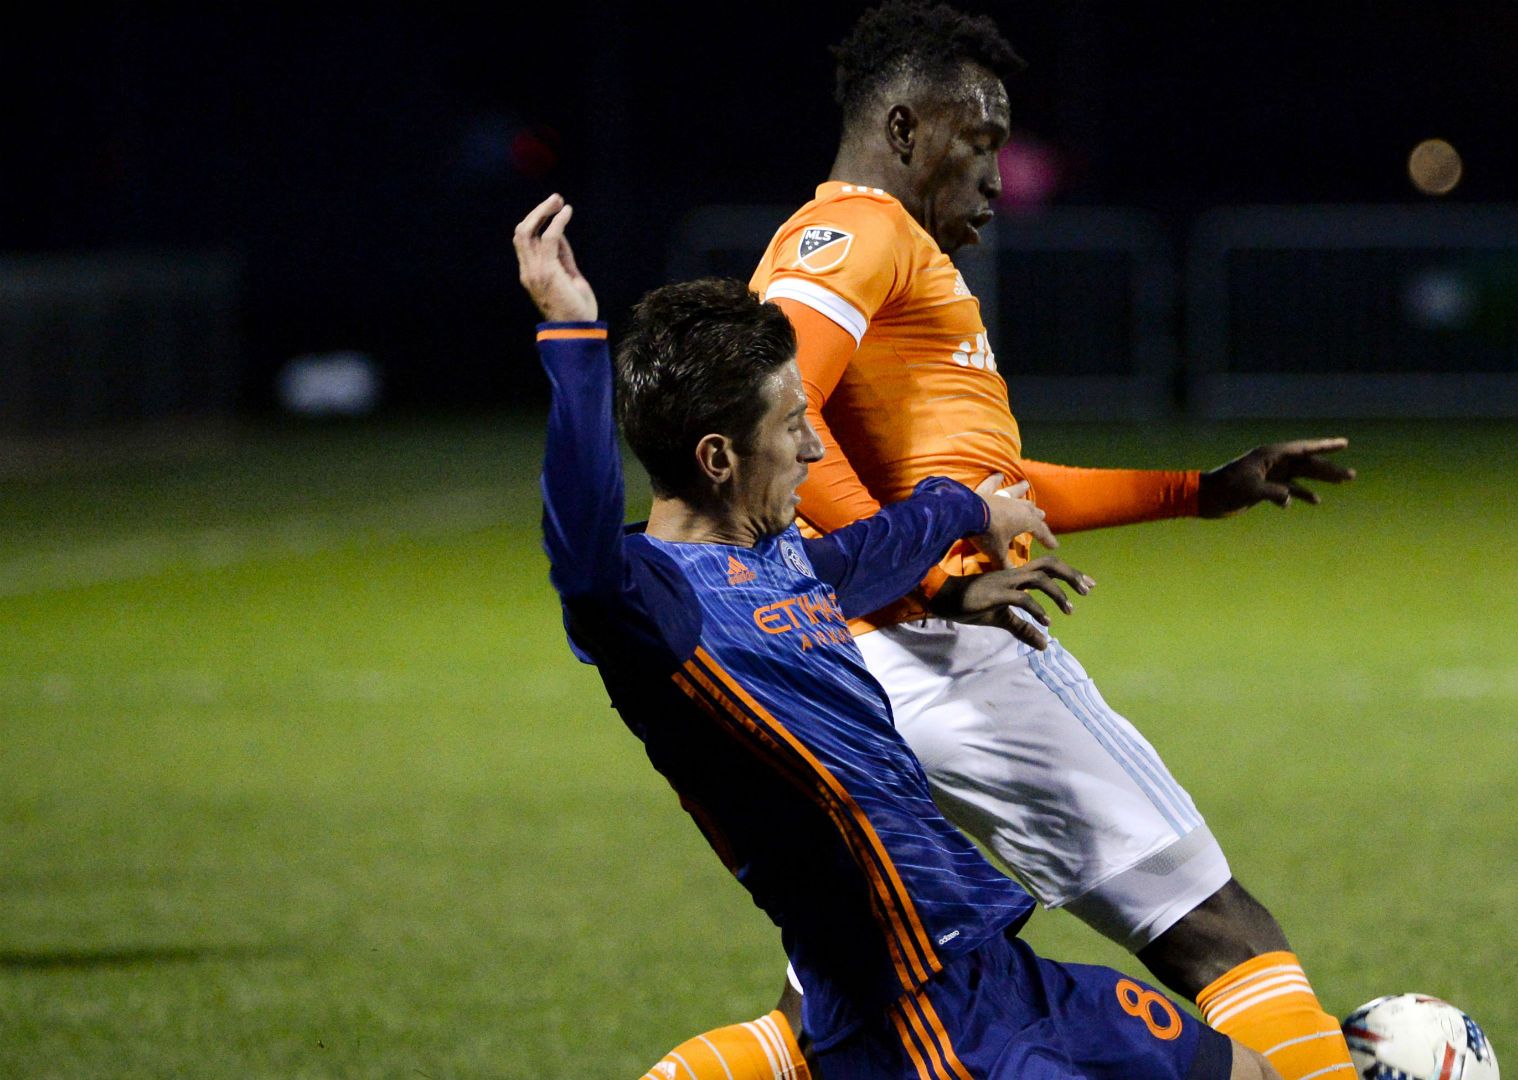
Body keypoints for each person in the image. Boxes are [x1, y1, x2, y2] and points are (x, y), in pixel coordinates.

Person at [644, 4, 1360, 1080]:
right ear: (903, 127)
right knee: (1218, 927)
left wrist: (1196, 493)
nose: (996, 175)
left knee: (844, 1014)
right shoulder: (861, 234)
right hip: (943, 659)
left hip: (843, 668)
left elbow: (997, 490)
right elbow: (773, 420)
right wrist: (933, 580)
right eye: (980, 142)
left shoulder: (879, 255)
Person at [514, 193, 1279, 1080]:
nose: (812, 450)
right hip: (908, 1022)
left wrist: (973, 507)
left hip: (999, 974)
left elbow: (872, 552)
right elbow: (578, 541)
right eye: (791, 425)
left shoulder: (781, 564)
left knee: (1245, 1073)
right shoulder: (652, 608)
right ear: (719, 459)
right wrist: (574, 341)